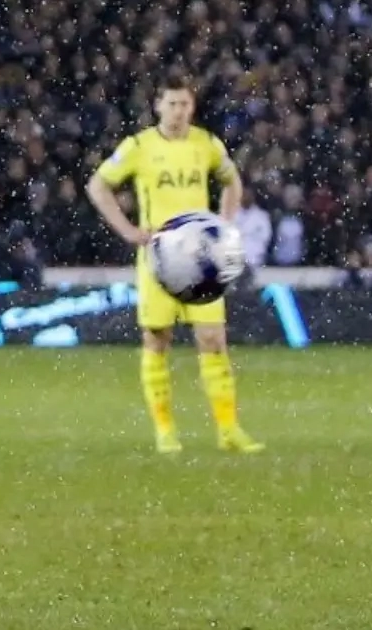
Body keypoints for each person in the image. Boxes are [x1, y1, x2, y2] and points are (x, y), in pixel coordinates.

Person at [85, 73, 264, 455]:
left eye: (184, 104)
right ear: (158, 107)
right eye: (172, 104)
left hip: (201, 259)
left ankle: (228, 430)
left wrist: (223, 225)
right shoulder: (139, 146)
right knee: (157, 339)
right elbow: (98, 185)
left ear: (192, 107)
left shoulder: (206, 143)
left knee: (213, 339)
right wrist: (128, 230)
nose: (179, 111)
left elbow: (232, 182)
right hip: (159, 257)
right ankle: (165, 431)